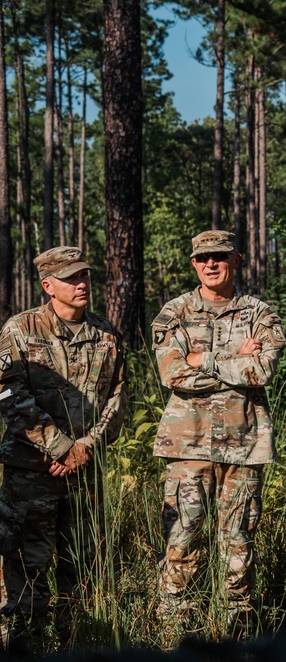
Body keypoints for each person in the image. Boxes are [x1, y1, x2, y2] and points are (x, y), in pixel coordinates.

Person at [150, 230, 285, 636]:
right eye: (202, 258)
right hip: (187, 444)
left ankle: (238, 631)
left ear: (236, 260)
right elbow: (172, 374)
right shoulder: (174, 312)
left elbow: (262, 370)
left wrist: (200, 358)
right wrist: (232, 361)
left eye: (220, 257)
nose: (211, 264)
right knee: (182, 538)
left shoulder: (260, 313)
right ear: (193, 263)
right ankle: (175, 629)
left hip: (245, 447)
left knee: (238, 545)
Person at [0, 247, 126, 650]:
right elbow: (9, 396)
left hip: (84, 475)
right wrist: (59, 447)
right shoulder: (21, 330)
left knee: (84, 569)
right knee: (27, 567)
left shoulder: (106, 333)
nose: (82, 283)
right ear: (48, 285)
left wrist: (85, 448)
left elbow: (119, 398)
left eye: (85, 275)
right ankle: (24, 647)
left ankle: (79, 645)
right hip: (31, 473)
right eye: (72, 278)